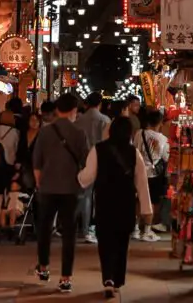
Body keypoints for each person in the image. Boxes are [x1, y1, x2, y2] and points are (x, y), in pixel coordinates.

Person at [79, 116, 152, 300]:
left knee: (105, 243)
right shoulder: (134, 153)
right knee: (121, 243)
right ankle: (118, 280)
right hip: (125, 203)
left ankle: (108, 279)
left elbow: (87, 177)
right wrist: (146, 209)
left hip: (104, 202)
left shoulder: (98, 149)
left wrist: (78, 177)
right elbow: (142, 183)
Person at [33, 92, 89, 294]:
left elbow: (37, 163)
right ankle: (65, 278)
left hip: (47, 187)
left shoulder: (45, 132)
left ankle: (44, 267)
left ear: (57, 110)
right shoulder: (79, 134)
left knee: (44, 228)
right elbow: (85, 163)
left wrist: (40, 184)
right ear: (74, 111)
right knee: (69, 234)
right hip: (70, 189)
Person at [76, 92, 111, 244]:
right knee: (100, 196)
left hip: (82, 161)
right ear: (100, 104)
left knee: (84, 195)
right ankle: (95, 227)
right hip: (101, 160)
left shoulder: (79, 120)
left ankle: (82, 228)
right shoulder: (104, 120)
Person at [134, 109, 170, 239]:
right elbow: (166, 158)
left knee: (138, 200)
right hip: (153, 174)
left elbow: (135, 149)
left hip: (138, 171)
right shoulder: (163, 139)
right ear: (159, 123)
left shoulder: (139, 133)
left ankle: (136, 228)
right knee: (152, 201)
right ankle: (147, 230)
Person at [16, 111, 42, 193]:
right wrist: (18, 161)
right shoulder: (24, 133)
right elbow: (20, 148)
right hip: (24, 163)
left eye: (36, 120)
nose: (34, 123)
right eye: (32, 120)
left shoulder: (42, 134)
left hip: (36, 164)